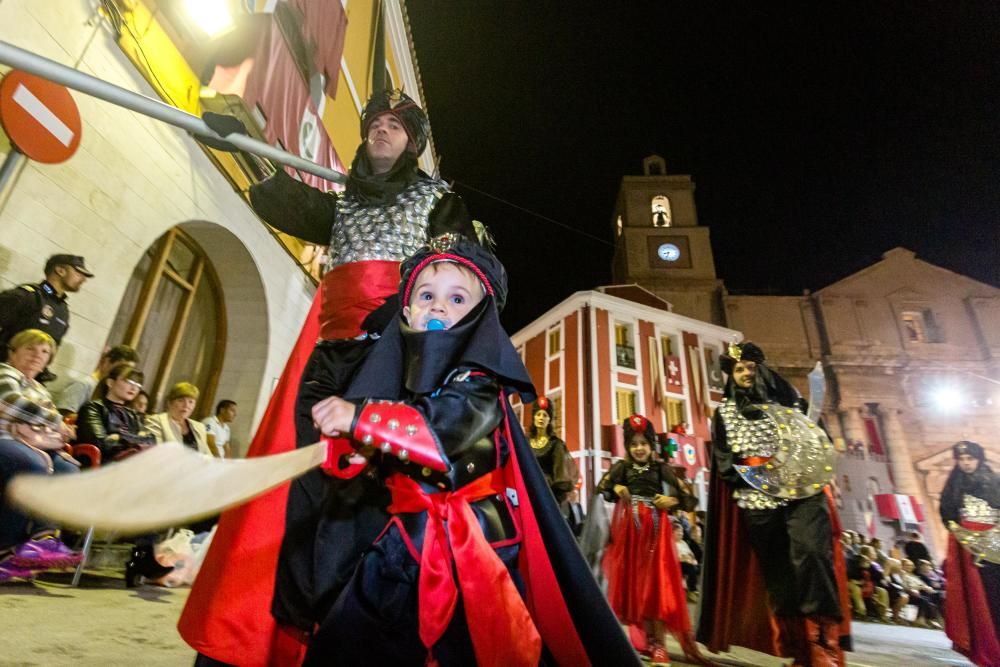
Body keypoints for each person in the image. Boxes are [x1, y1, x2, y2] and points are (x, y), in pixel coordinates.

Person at [181, 90, 479, 666]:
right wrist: (237, 144)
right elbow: (288, 202)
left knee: (362, 501)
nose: (382, 131)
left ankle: (349, 633)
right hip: (327, 362)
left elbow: (456, 274)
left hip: (391, 364)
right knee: (302, 495)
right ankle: (287, 635)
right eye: (376, 124)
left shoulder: (438, 200)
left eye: (395, 126)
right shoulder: (344, 205)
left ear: (413, 142)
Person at [303, 234, 638, 664]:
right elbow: (393, 446)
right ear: (407, 312)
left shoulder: (478, 382)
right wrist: (362, 452)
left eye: (457, 298)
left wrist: (361, 418)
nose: (438, 306)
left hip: (475, 549)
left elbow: (441, 429)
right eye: (427, 295)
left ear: (481, 318)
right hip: (402, 539)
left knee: (468, 647)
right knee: (354, 639)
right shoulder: (400, 383)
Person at [698, 341, 850, 667]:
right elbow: (725, 462)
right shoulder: (724, 413)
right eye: (739, 369)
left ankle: (825, 644)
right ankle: (799, 649)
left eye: (751, 367)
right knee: (778, 574)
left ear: (762, 369)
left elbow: (818, 443)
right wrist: (760, 475)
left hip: (802, 491)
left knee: (810, 553)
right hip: (757, 498)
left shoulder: (794, 403)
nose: (745, 373)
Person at [597, 414, 704, 666]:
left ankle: (659, 645)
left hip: (657, 534)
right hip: (631, 535)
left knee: (656, 587)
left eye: (643, 443)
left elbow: (689, 499)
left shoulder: (661, 469)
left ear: (652, 444)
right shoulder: (621, 468)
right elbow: (602, 487)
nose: (639, 448)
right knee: (637, 587)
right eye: (633, 444)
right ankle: (645, 641)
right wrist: (617, 488)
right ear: (627, 446)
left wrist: (673, 501)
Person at [0, 329, 83, 581]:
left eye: (44, 352)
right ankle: (6, 548)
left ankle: (42, 540)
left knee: (69, 470)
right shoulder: (5, 372)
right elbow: (9, 400)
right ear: (13, 352)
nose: (37, 355)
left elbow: (58, 433)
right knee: (31, 465)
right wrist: (54, 421)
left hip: (34, 444)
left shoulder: (41, 389)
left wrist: (50, 425)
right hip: (4, 438)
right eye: (30, 349)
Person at [938, 440, 1000, 665]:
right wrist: (964, 536)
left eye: (970, 459)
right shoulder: (953, 485)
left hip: (995, 547)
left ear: (979, 459)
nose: (965, 463)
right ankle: (987, 647)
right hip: (967, 550)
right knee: (978, 598)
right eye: (961, 459)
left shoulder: (995, 481)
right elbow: (947, 515)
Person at [0, 255, 93, 356]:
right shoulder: (26, 296)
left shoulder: (63, 310)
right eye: (78, 273)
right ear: (60, 270)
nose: (84, 280)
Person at [76, 364, 155, 462]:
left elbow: (150, 440)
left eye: (138, 385)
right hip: (105, 463)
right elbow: (101, 443)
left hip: (132, 462)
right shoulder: (93, 408)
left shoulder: (133, 414)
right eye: (129, 381)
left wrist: (119, 436)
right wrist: (135, 440)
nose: (134, 388)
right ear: (110, 383)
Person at [51, 344, 138, 416]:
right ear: (107, 362)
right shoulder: (84, 385)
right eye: (121, 368)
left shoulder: (115, 393)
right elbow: (63, 414)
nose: (124, 373)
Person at [528, 396, 575, 503]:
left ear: (549, 420)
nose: (541, 418)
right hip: (525, 494)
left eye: (545, 415)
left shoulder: (556, 445)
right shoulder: (524, 443)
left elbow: (561, 479)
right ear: (534, 417)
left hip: (546, 497)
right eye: (538, 414)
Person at [146, 382, 210, 455]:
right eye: (181, 400)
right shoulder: (156, 421)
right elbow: (154, 453)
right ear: (170, 402)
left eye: (191, 402)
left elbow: (207, 456)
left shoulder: (199, 427)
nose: (186, 405)